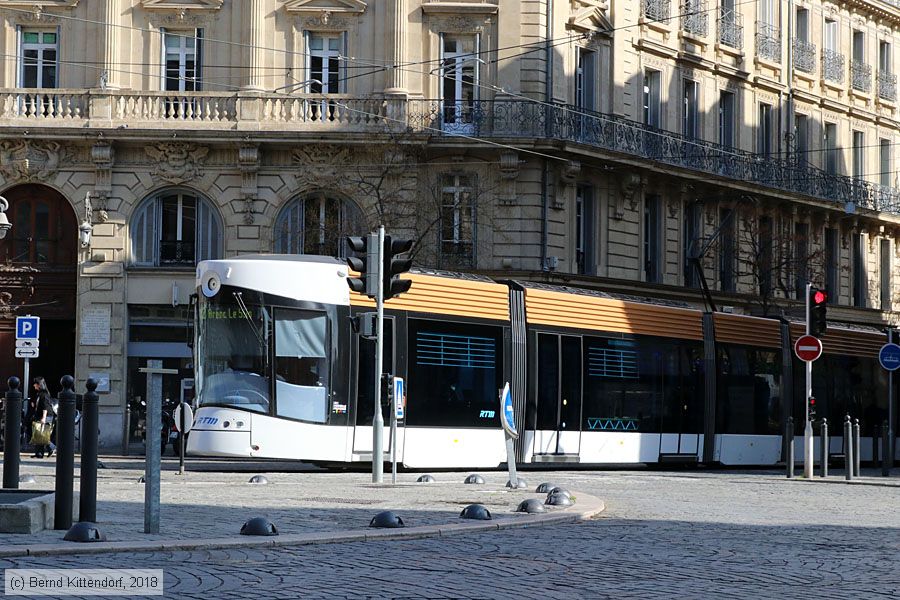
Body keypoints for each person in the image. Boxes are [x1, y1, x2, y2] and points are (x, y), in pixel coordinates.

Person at [31, 377, 54, 459]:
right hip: (40, 415)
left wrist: (44, 417)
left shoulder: (44, 394)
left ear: (39, 385)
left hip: (46, 416)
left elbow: (45, 407)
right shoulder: (39, 393)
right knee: (38, 434)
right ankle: (39, 453)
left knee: (42, 434)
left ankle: (52, 447)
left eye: (35, 384)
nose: (34, 385)